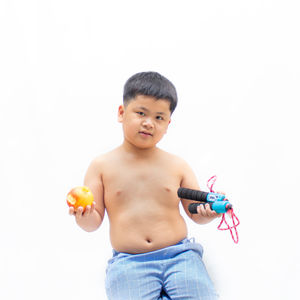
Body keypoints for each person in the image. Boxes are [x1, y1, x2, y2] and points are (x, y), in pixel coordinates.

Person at [68, 71, 220, 299]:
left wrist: (208, 213)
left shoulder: (177, 165)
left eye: (159, 118)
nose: (149, 123)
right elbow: (93, 222)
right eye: (141, 113)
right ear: (122, 113)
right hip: (130, 263)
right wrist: (84, 216)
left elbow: (196, 212)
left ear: (168, 124)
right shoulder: (101, 166)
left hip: (180, 256)